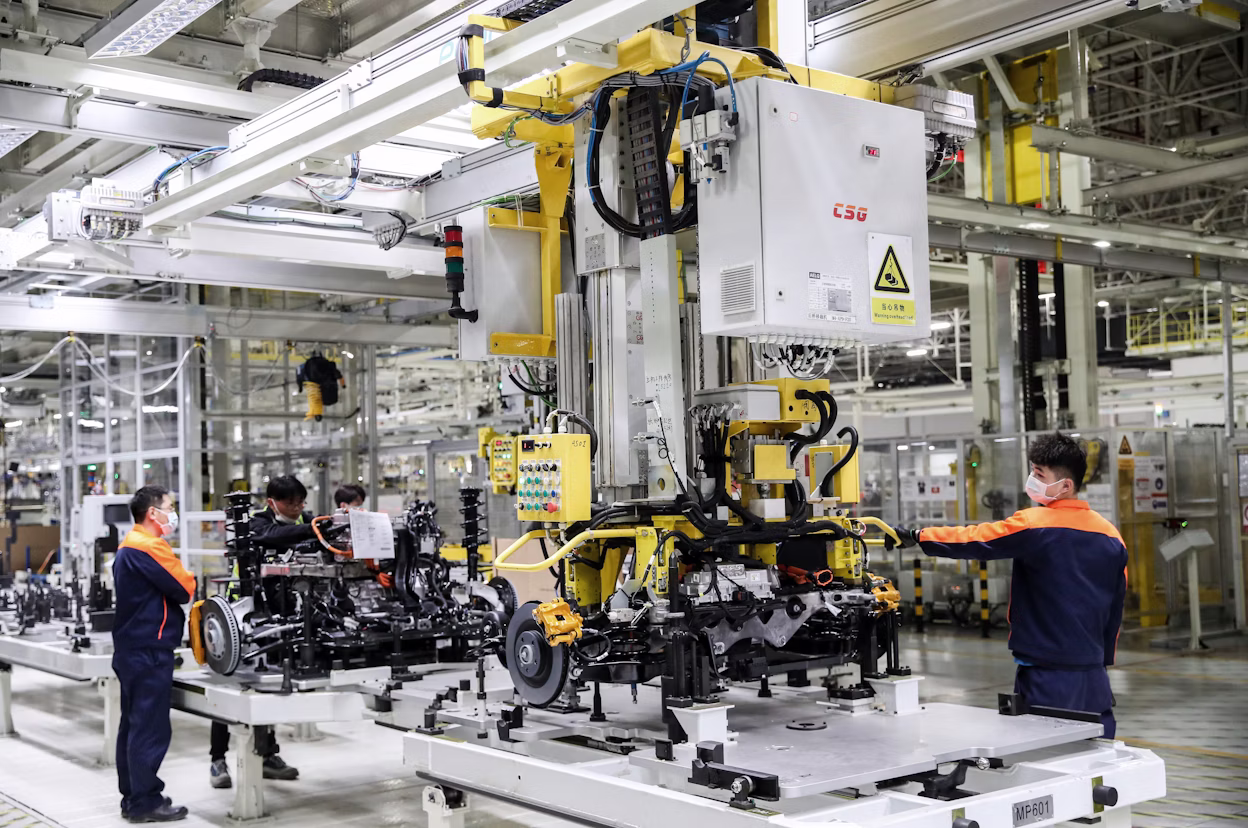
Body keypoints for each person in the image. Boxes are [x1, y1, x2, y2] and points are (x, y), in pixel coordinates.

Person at [890, 432, 1128, 738]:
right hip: (1093, 674)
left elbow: (977, 538)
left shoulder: (1036, 524)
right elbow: (1115, 609)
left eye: (1040, 474)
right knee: (1097, 756)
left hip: (1046, 674)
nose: (1032, 480)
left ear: (1066, 485)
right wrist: (1102, 661)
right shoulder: (1111, 535)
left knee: (1043, 753)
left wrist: (918, 536)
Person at [209, 476, 310, 789]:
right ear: (272, 502)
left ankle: (267, 755)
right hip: (246, 615)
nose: (296, 509)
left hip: (284, 614)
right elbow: (273, 536)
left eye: (300, 502)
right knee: (232, 688)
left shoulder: (306, 521)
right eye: (290, 503)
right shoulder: (256, 524)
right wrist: (316, 528)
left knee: (268, 688)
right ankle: (217, 759)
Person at [113, 486, 195, 823]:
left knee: (133, 726)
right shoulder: (148, 546)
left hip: (133, 647)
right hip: (149, 650)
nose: (173, 513)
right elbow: (186, 588)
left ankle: (134, 796)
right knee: (149, 728)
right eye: (170, 507)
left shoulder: (128, 545)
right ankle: (145, 803)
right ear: (153, 513)